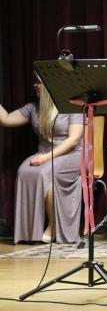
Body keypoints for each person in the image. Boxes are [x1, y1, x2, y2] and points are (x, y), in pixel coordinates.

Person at [0, 74, 83, 244]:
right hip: (45, 155)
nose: (35, 85)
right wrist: (45, 157)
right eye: (35, 81)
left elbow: (74, 140)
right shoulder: (33, 108)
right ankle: (29, 232)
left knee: (46, 172)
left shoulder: (72, 106)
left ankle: (53, 226)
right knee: (24, 171)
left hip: (73, 155)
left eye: (39, 82)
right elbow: (6, 119)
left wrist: (46, 158)